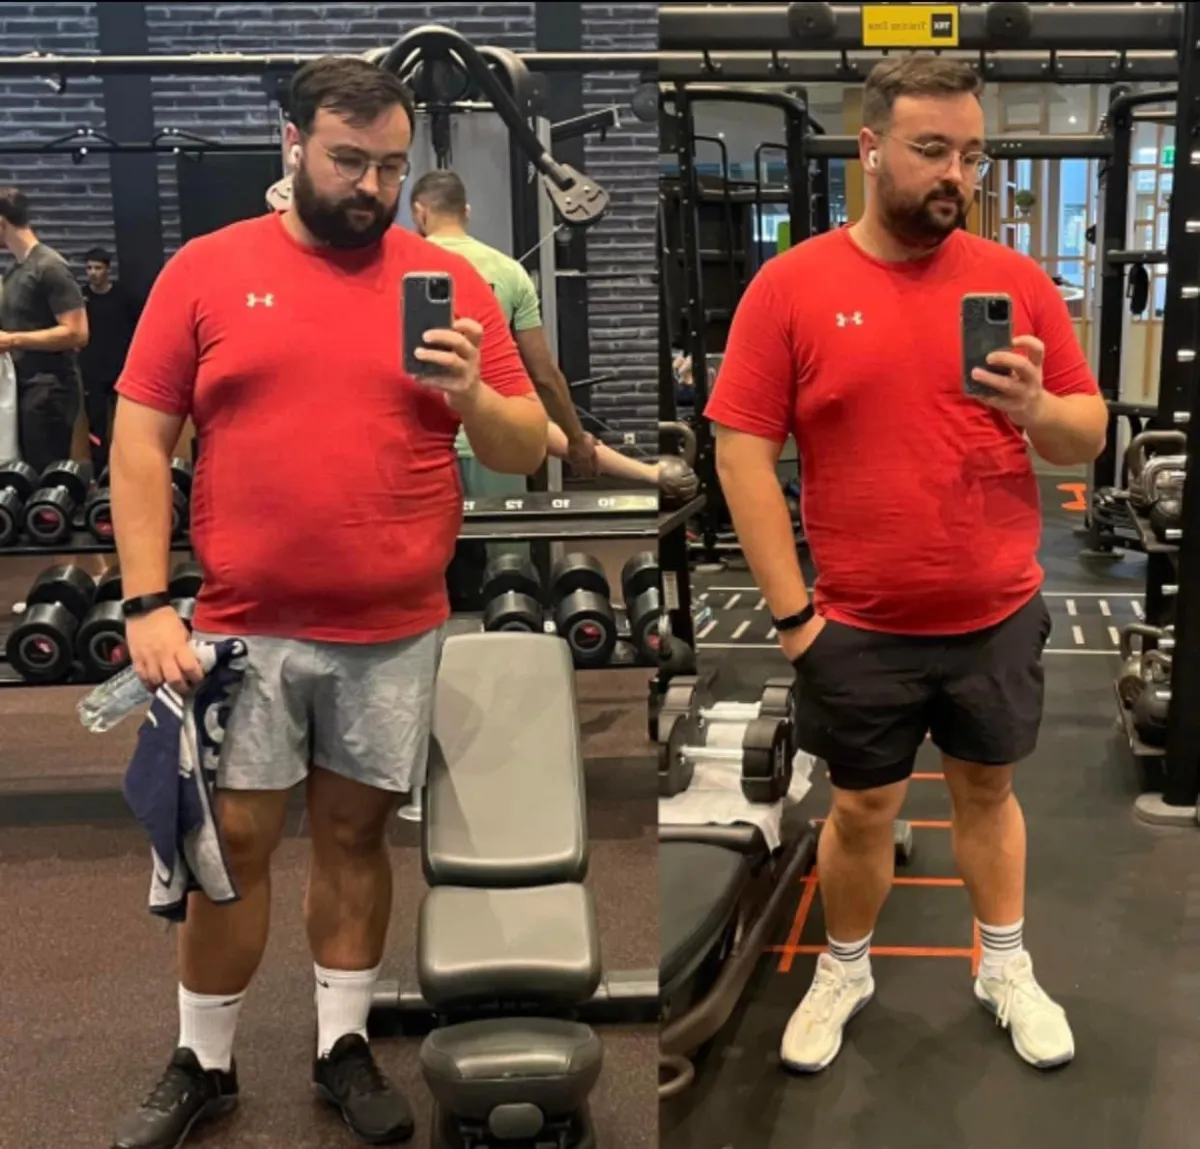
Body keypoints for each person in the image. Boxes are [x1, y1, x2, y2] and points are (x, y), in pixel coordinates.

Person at [108, 56, 546, 1149]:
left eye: (391, 167)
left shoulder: (446, 284)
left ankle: (341, 1044)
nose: (371, 187)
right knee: (232, 845)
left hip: (392, 628)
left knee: (356, 837)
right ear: (293, 145)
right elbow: (139, 441)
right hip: (244, 623)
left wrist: (471, 393)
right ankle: (204, 1060)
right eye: (350, 161)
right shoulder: (207, 270)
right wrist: (147, 601)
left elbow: (524, 445)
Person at [706, 56, 1107, 1076]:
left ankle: (1004, 965)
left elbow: (1087, 432)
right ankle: (844, 968)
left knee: (988, 794)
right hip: (857, 624)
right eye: (933, 150)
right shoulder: (791, 286)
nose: (956, 174)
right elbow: (741, 454)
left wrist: (1034, 407)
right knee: (860, 811)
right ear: (871, 149)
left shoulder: (1016, 283)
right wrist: (794, 620)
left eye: (972, 155)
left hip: (996, 611)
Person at [410, 168, 667, 486]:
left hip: (419, 448)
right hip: (495, 441)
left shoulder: (402, 270)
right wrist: (576, 439)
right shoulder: (510, 272)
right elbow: (544, 374)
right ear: (466, 212)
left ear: (419, 213)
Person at [0, 188, 89, 473]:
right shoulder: (15, 272)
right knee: (23, 475)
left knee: (44, 475)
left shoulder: (49, 267)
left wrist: (12, 340)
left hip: (49, 390)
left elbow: (77, 333)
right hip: (24, 388)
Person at [80, 247, 141, 478]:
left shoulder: (124, 297)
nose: (93, 273)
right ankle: (99, 473)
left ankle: (131, 469)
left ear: (108, 269)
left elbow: (141, 328)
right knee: (95, 425)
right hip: (92, 371)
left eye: (98, 268)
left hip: (122, 370)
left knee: (127, 423)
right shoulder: (80, 298)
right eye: (89, 268)